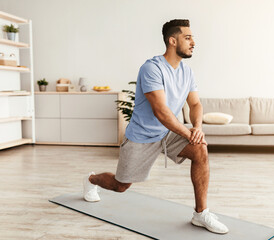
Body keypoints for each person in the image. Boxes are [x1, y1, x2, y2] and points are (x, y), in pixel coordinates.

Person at [83, 19, 229, 234]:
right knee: (120, 186)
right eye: (188, 38)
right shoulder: (151, 68)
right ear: (172, 41)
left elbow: (195, 104)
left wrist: (197, 128)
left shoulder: (187, 72)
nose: (193, 42)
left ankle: (201, 213)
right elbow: (161, 112)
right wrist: (189, 132)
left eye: (193, 38)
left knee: (200, 149)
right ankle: (91, 179)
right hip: (143, 136)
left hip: (169, 133)